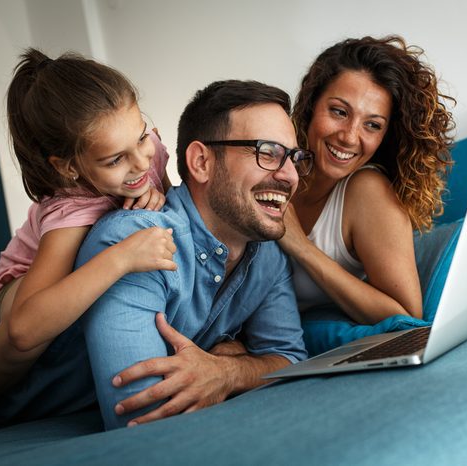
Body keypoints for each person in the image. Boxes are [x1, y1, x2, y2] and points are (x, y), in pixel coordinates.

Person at [0, 48, 176, 447]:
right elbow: (23, 327)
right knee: (25, 337)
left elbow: (161, 187)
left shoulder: (146, 153)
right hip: (19, 282)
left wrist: (158, 194)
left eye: (141, 135)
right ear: (67, 167)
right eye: (115, 160)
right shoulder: (70, 210)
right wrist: (122, 257)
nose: (141, 163)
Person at [77, 79, 310, 429]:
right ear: (201, 161)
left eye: (294, 158)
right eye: (267, 152)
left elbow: (290, 358)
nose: (290, 175)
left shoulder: (267, 255)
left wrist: (229, 371)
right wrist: (250, 362)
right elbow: (141, 421)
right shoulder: (135, 243)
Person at [279, 35, 456, 324]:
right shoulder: (273, 163)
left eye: (372, 125)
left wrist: (301, 246)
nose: (349, 137)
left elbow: (407, 315)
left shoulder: (366, 191)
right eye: (339, 112)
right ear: (311, 105)